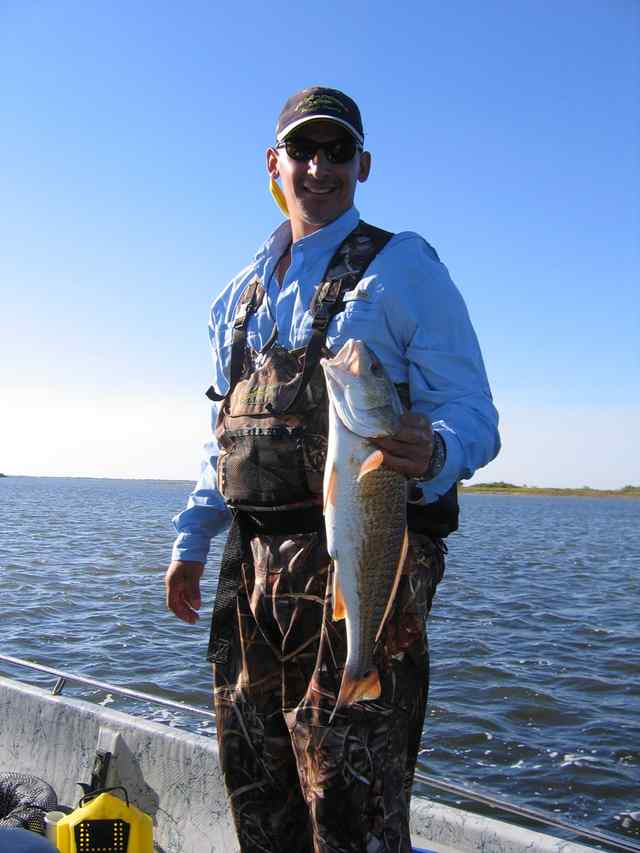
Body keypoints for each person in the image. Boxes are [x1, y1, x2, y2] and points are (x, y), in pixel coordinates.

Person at [165, 86, 500, 853]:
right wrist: (191, 540)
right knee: (259, 787)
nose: (320, 167)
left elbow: (474, 411)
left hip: (362, 560)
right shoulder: (238, 296)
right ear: (273, 163)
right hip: (249, 573)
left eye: (338, 150)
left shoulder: (404, 266)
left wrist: (438, 448)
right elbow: (220, 436)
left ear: (364, 164)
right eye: (303, 150)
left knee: (354, 810)